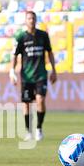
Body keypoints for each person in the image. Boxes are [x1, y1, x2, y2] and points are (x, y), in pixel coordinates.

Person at [9, 11, 56, 141]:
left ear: (36, 20)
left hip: (41, 75)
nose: (31, 20)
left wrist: (54, 70)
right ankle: (28, 131)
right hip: (26, 77)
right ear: (26, 21)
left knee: (40, 100)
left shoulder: (43, 35)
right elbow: (14, 55)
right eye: (29, 18)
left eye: (33, 18)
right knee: (27, 104)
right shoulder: (21, 37)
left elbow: (50, 53)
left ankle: (39, 128)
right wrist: (12, 71)